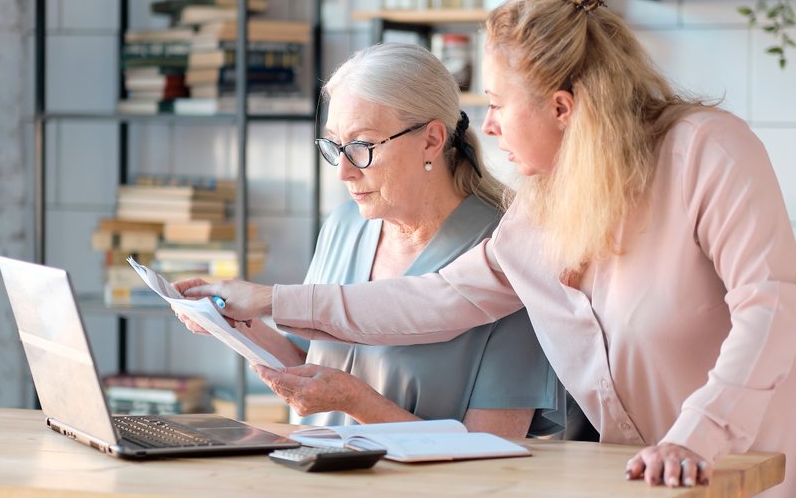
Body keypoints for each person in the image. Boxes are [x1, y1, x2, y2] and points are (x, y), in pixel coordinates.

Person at [178, 0, 796, 498]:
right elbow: (430, 299)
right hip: (672, 482)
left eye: (496, 104)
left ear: (562, 108)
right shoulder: (536, 215)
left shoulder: (706, 152)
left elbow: (771, 308)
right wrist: (268, 300)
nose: (486, 126)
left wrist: (696, 437)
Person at [176, 42, 560, 438]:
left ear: (431, 140)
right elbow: (315, 362)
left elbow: (493, 449)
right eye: (334, 146)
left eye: (361, 146)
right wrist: (237, 324)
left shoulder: (509, 252)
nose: (343, 171)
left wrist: (357, 403)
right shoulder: (344, 225)